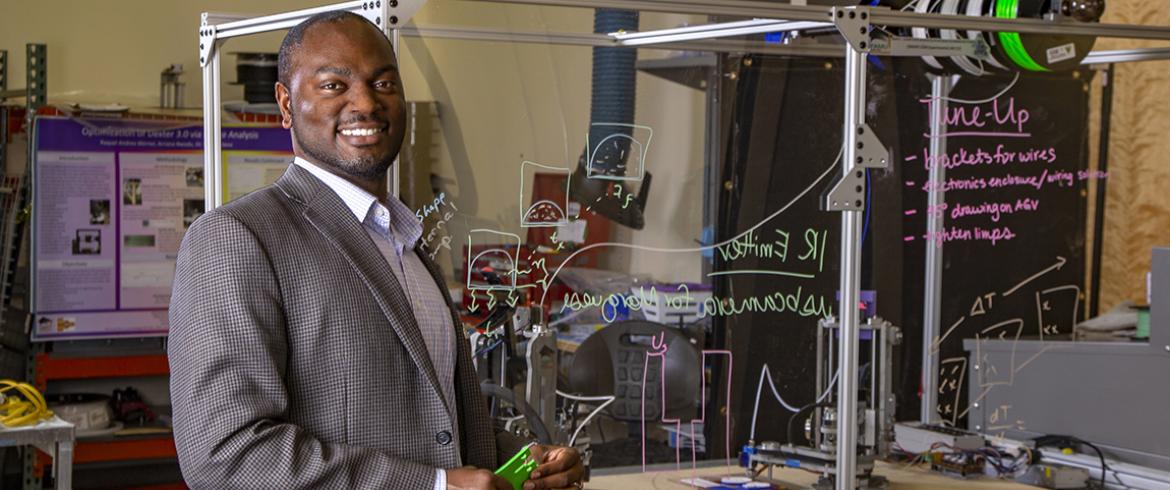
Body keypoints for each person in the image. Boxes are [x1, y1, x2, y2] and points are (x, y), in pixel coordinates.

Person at [168, 11, 584, 490]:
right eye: (333, 85)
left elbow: (430, 427)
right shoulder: (237, 238)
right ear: (286, 104)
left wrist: (526, 459)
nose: (365, 102)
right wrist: (436, 487)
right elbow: (227, 456)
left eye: (383, 83)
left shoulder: (403, 242)